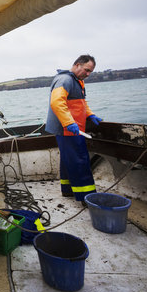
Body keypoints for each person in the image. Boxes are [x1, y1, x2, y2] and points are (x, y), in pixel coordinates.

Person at [45, 55, 103, 202]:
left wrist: (91, 115)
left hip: (72, 128)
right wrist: (69, 123)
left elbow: (81, 104)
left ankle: (68, 190)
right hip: (69, 129)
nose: (88, 74)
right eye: (86, 70)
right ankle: (87, 198)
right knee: (79, 160)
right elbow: (57, 102)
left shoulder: (77, 81)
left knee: (68, 159)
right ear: (77, 65)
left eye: (90, 72)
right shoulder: (65, 80)